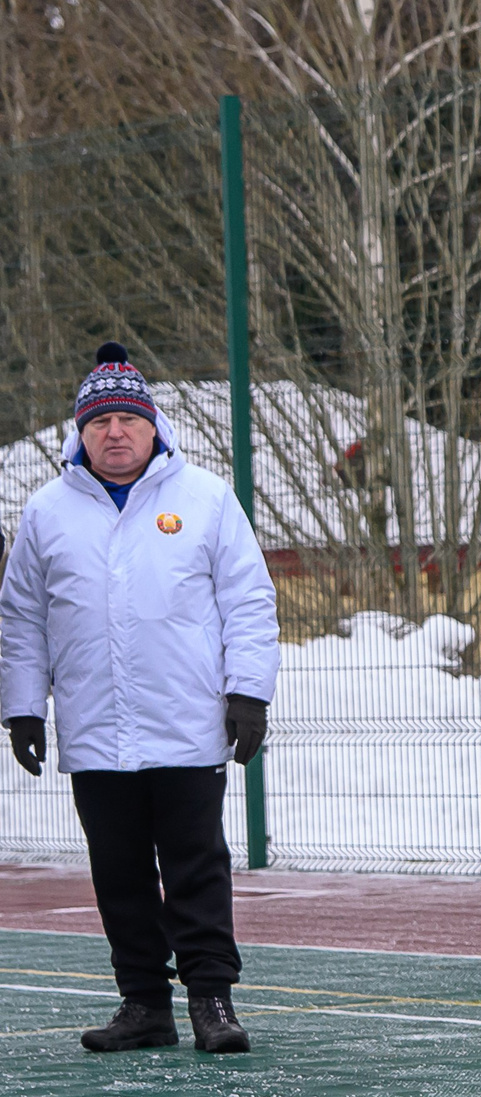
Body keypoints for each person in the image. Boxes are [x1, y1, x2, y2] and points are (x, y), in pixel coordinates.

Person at [0, 342, 275, 1053]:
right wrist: (23, 705)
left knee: (196, 867)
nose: (114, 432)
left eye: (128, 417)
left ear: (154, 426)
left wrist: (248, 692)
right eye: (100, 421)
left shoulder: (207, 499)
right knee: (118, 873)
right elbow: (22, 618)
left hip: (186, 727)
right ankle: (144, 1004)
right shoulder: (46, 512)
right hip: (95, 732)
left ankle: (212, 1000)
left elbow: (249, 601)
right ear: (79, 431)